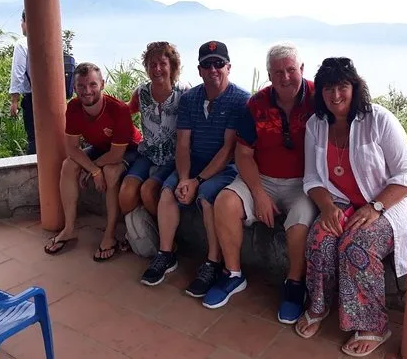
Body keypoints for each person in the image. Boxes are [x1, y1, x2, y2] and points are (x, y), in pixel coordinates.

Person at [296, 57, 407, 357]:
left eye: (342, 87)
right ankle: (319, 306)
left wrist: (375, 207)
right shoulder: (316, 125)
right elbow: (312, 178)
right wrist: (326, 207)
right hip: (340, 201)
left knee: (356, 245)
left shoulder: (379, 120)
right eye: (328, 88)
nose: (335, 95)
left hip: (387, 203)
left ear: (354, 87)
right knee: (320, 239)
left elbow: (406, 175)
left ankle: (374, 325)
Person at [204, 43, 317, 324]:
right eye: (277, 72)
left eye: (291, 70)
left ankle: (294, 284)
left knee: (300, 221)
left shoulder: (318, 98)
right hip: (261, 177)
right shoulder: (256, 104)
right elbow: (243, 154)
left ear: (302, 69)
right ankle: (233, 274)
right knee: (225, 202)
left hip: (303, 182)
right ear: (269, 75)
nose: (285, 77)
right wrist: (258, 193)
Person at [140, 41, 251, 298]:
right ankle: (166, 253)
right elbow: (183, 143)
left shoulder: (240, 99)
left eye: (218, 64)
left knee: (207, 197)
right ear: (199, 70)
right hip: (194, 163)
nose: (213, 70)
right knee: (167, 193)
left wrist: (197, 181)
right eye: (207, 65)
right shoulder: (191, 99)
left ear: (228, 67)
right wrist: (184, 178)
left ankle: (213, 262)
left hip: (227, 167)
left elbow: (228, 150)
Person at [44, 62, 143, 261]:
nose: (87, 91)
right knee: (68, 165)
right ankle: (69, 229)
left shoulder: (118, 110)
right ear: (74, 87)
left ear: (102, 85)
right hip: (100, 148)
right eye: (81, 86)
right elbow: (71, 148)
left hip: (129, 150)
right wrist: (94, 170)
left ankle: (110, 234)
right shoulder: (74, 107)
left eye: (92, 84)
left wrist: (93, 168)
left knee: (111, 172)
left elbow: (116, 155)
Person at [118, 42, 186, 217]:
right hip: (148, 154)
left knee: (148, 191)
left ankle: (163, 232)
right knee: (126, 193)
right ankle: (138, 230)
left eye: (163, 63)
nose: (157, 69)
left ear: (172, 66)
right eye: (152, 64)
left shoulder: (184, 93)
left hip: (174, 158)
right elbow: (123, 114)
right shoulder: (141, 93)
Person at [8, 10, 36, 155]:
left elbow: (17, 73)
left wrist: (14, 101)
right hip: (54, 97)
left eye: (22, 21)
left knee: (34, 138)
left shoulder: (22, 44)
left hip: (33, 99)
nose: (21, 25)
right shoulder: (50, 39)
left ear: (26, 22)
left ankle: (36, 166)